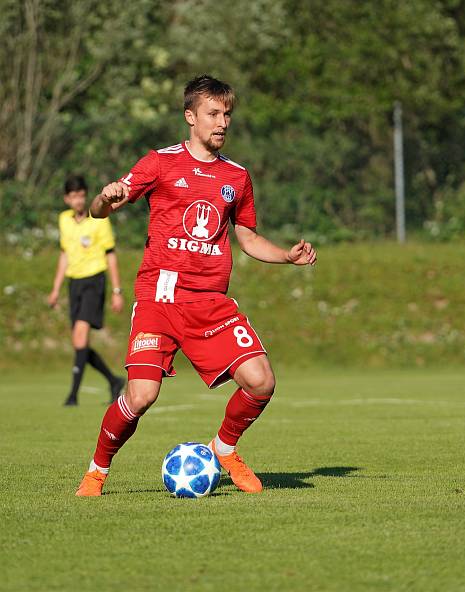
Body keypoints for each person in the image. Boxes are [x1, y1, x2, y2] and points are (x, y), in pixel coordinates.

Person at [75, 75, 316, 496]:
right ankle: (97, 471)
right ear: (191, 117)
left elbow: (248, 237)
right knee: (142, 394)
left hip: (210, 302)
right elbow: (100, 211)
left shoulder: (237, 177)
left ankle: (224, 448)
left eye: (227, 115)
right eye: (213, 114)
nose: (222, 122)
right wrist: (104, 197)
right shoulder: (159, 163)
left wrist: (286, 256)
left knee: (261, 380)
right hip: (160, 298)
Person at [49, 175, 125, 406]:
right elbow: (64, 255)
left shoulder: (99, 219)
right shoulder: (64, 220)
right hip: (75, 284)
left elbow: (110, 256)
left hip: (94, 280)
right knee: (79, 343)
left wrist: (117, 290)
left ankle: (73, 396)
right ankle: (113, 380)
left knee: (81, 336)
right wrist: (55, 289)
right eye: (73, 196)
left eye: (81, 195)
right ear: (66, 199)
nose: (78, 200)